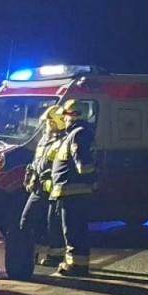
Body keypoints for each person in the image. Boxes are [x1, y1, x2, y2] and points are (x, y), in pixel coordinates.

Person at [47, 99, 98, 278]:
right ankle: (77, 265)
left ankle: (75, 267)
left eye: (66, 115)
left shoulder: (79, 133)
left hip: (74, 191)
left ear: (76, 115)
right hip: (71, 191)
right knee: (74, 231)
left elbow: (83, 165)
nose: (64, 119)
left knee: (74, 231)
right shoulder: (75, 134)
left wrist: (87, 178)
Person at [20, 104, 68, 270]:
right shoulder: (43, 140)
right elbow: (35, 163)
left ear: (56, 123)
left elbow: (60, 167)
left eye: (49, 122)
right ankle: (26, 253)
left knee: (53, 224)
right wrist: (29, 177)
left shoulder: (63, 141)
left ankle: (55, 257)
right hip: (38, 189)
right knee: (26, 220)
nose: (46, 125)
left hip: (54, 191)